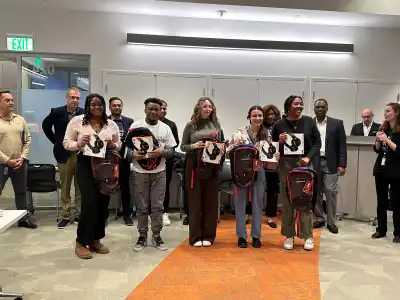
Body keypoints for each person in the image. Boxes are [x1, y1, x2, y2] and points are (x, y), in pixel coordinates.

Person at [63, 93, 121, 259]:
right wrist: (79, 144)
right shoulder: (77, 121)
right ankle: (81, 241)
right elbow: (66, 142)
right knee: (89, 202)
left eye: (99, 105)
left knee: (103, 203)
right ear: (87, 106)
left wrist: (113, 145)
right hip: (85, 164)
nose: (96, 107)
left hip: (106, 164)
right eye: (93, 104)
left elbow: (119, 143)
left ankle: (95, 239)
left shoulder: (110, 124)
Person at [126, 98, 176, 252]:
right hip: (140, 172)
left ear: (160, 110)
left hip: (159, 172)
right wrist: (133, 155)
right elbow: (126, 151)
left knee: (157, 206)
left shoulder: (166, 128)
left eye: (157, 109)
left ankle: (156, 235)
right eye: (150, 109)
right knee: (141, 207)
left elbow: (172, 151)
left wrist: (162, 151)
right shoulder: (135, 126)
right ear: (145, 109)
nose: (154, 112)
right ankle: (142, 236)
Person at [271, 95, 321, 251]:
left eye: (301, 104)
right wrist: (278, 141)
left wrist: (308, 157)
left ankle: (308, 236)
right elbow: (272, 149)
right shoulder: (279, 124)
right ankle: (289, 235)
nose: (300, 106)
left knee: (305, 199)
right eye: (296, 104)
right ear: (288, 106)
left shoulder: (309, 122)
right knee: (288, 200)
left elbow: (317, 143)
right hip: (286, 165)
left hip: (304, 165)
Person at [181, 97, 223, 247]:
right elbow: (183, 147)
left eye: (210, 107)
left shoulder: (216, 125)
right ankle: (196, 236)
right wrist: (194, 145)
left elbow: (221, 145)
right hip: (194, 166)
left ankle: (209, 236)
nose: (207, 109)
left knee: (210, 202)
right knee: (195, 202)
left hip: (212, 166)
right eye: (204, 106)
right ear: (198, 108)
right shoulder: (190, 126)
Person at [227, 106, 271, 248]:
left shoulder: (267, 134)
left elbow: (269, 156)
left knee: (258, 203)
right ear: (249, 117)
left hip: (259, 170)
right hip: (241, 171)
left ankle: (256, 236)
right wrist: (236, 147)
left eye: (260, 115)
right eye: (254, 116)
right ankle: (241, 236)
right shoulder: (239, 132)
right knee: (240, 203)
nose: (257, 118)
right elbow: (228, 151)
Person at [42, 87, 84, 228]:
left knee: (80, 185)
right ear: (67, 98)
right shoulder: (57, 112)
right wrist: (55, 141)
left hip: (80, 154)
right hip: (63, 153)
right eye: (72, 97)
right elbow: (45, 126)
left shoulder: (84, 114)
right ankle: (65, 215)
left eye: (77, 98)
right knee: (65, 186)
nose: (75, 100)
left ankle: (79, 214)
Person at [0, 90, 36, 229]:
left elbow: (27, 139)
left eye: (12, 100)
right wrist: (6, 160)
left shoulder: (20, 119)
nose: (11, 103)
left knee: (21, 191)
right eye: (7, 100)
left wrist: (22, 157)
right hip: (1, 164)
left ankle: (23, 219)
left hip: (19, 162)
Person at [312, 99, 347, 234]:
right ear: (314, 109)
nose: (320, 109)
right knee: (317, 191)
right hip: (314, 162)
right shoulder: (310, 123)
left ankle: (331, 222)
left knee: (330, 191)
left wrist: (342, 164)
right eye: (317, 107)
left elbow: (342, 146)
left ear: (327, 108)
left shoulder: (337, 123)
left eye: (322, 107)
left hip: (330, 162)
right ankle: (320, 218)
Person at [372, 103, 400, 243]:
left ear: (396, 113)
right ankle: (381, 229)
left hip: (395, 171)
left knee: (396, 202)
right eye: (384, 111)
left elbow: (398, 150)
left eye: (388, 111)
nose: (385, 113)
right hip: (381, 169)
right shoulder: (384, 128)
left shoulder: (398, 131)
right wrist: (378, 139)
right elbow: (377, 149)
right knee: (381, 201)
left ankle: (398, 233)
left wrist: (387, 140)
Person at [108, 97, 134, 226]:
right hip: (108, 160)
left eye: (119, 105)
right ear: (109, 107)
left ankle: (127, 215)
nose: (117, 107)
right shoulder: (104, 121)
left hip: (124, 160)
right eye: (114, 105)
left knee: (125, 188)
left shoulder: (129, 122)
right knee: (106, 188)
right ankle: (104, 215)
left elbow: (132, 141)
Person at [159, 100, 180, 226]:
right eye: (160, 108)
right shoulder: (147, 124)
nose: (162, 110)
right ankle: (153, 212)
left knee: (165, 186)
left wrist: (165, 147)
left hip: (167, 159)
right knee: (152, 187)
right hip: (152, 160)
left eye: (164, 108)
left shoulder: (171, 124)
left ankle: (164, 212)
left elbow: (176, 142)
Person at [262, 104, 281, 228]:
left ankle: (270, 217)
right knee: (253, 190)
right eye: (268, 114)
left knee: (273, 191)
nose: (270, 116)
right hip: (260, 162)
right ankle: (248, 214)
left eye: (273, 114)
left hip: (275, 163)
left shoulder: (280, 127)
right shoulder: (259, 127)